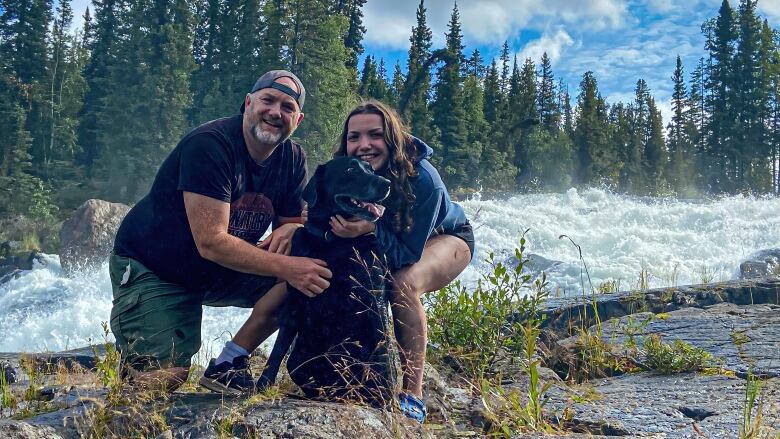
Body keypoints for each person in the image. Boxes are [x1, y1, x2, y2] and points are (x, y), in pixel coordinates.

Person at [109, 70, 332, 393]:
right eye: (268, 100)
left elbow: (291, 230)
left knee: (313, 279)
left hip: (221, 270)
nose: (275, 112)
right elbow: (211, 242)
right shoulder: (211, 145)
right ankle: (123, 379)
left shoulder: (293, 158)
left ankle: (229, 362)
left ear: (297, 120)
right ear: (247, 104)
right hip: (156, 268)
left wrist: (296, 228)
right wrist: (290, 267)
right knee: (166, 376)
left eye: (287, 107)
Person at [330, 100, 474, 423]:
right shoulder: (348, 170)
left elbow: (406, 255)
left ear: (392, 138)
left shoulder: (424, 180)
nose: (364, 145)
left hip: (448, 237)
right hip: (394, 236)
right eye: (354, 137)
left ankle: (413, 395)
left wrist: (370, 228)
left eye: (375, 135)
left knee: (403, 284)